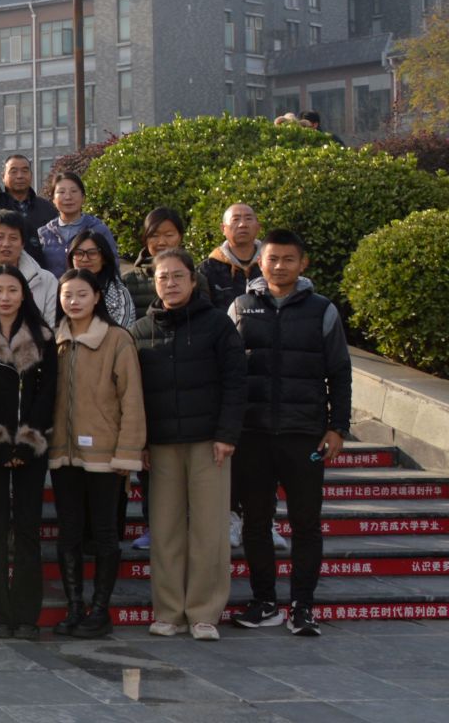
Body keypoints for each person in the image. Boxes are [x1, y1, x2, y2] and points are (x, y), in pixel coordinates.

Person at [228, 230, 351, 637]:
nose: (279, 266)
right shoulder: (241, 307)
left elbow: (340, 373)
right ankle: (264, 601)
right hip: (253, 435)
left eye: (288, 259)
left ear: (303, 264)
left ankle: (303, 606)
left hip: (305, 436)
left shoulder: (322, 310)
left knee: (306, 523)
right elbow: (228, 371)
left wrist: (338, 427)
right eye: (273, 258)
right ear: (260, 262)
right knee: (255, 522)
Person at [132, 249, 246, 642]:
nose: (170, 284)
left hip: (208, 443)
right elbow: (135, 394)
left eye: (178, 276)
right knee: (165, 531)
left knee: (209, 530)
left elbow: (236, 382)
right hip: (161, 446)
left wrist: (227, 435)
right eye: (162, 277)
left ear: (193, 280)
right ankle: (168, 612)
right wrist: (140, 443)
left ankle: (204, 612)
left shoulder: (217, 325)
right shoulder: (141, 330)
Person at [47, 268, 145, 640]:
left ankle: (100, 609)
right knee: (69, 532)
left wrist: (127, 452)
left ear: (97, 297)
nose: (73, 301)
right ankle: (75, 606)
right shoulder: (53, 340)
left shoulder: (117, 339)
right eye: (67, 295)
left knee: (105, 532)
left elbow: (131, 400)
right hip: (63, 453)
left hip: (106, 455)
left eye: (82, 294)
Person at [0, 265, 57, 640]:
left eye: (12, 290)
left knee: (27, 531)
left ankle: (26, 615)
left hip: (32, 449)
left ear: (24, 295)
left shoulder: (44, 338)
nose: (5, 297)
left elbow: (48, 392)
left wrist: (27, 441)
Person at [121, 208, 209, 319]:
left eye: (169, 235)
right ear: (145, 239)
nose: (162, 242)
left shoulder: (196, 279)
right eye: (154, 236)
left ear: (180, 237)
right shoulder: (127, 281)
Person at [39, 172, 119, 276]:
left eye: (74, 191)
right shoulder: (43, 234)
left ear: (83, 197)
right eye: (61, 192)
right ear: (53, 199)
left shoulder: (99, 230)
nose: (68, 197)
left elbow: (113, 267)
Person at [68, 230, 136, 327]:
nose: (85, 259)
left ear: (104, 258)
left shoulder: (118, 294)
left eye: (92, 253)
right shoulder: (62, 289)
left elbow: (121, 331)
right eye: (79, 253)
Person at [203, 203, 263, 308]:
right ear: (223, 228)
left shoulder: (272, 264)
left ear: (258, 227)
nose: (242, 224)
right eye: (235, 219)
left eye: (248, 219)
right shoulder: (207, 269)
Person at [0, 154, 57, 238]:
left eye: (24, 171)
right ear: (3, 177)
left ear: (31, 175)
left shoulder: (47, 208)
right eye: (14, 171)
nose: (19, 176)